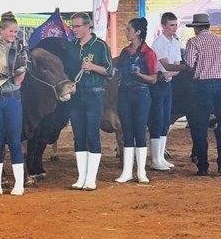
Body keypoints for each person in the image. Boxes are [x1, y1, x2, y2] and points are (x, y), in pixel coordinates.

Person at [64, 12, 112, 190]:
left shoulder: (100, 46)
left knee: (92, 134)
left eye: (77, 26)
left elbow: (109, 71)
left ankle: (91, 178)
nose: (74, 30)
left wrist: (93, 67)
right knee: (79, 136)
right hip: (77, 94)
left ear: (87, 26)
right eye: (73, 26)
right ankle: (81, 177)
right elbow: (68, 71)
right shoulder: (71, 47)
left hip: (94, 93)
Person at [183, 13, 221, 176]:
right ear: (208, 26)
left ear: (196, 28)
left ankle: (203, 166)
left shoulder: (194, 42)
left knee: (200, 125)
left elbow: (189, 64)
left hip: (204, 84)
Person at [0, 11, 27, 195]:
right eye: (10, 31)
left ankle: (19, 184)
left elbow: (18, 81)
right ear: (1, 31)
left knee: (15, 142)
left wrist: (19, 69)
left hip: (13, 98)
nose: (13, 34)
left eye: (15, 31)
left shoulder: (20, 51)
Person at [114, 18, 157, 184]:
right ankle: (127, 171)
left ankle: (141, 171)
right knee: (127, 131)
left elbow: (153, 79)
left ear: (137, 32)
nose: (126, 32)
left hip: (141, 94)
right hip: (124, 92)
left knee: (139, 131)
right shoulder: (125, 52)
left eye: (128, 29)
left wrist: (139, 74)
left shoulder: (149, 53)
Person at [148, 12, 185, 171]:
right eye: (171, 25)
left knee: (165, 120)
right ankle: (155, 158)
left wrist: (170, 73)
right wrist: (183, 68)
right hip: (158, 83)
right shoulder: (158, 43)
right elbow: (169, 65)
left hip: (166, 81)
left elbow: (173, 67)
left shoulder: (175, 42)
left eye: (175, 25)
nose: (174, 28)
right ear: (163, 26)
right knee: (157, 119)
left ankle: (160, 156)